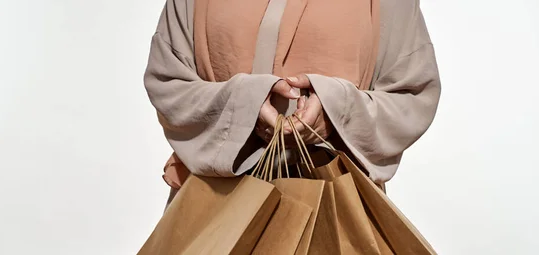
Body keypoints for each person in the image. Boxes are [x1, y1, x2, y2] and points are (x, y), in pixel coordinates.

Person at [144, 0, 441, 197]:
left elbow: (412, 95)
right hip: (213, 205)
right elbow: (167, 80)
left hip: (333, 205)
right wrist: (243, 105)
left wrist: (337, 112)